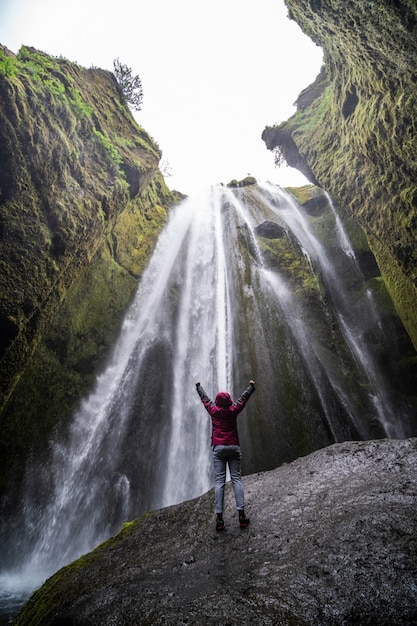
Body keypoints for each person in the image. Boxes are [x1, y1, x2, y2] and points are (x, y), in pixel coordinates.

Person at [195, 380, 256, 531]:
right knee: (236, 479)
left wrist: (198, 387)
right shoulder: (233, 410)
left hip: (218, 448)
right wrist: (251, 387)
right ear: (229, 402)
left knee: (219, 482)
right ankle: (241, 516)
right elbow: (243, 399)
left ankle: (220, 519)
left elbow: (205, 399)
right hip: (233, 447)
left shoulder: (213, 410)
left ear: (217, 402)